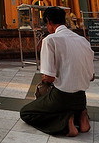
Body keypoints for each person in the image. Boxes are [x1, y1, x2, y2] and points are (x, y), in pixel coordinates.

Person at [20, 7, 94, 137]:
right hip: (81, 97)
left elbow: (49, 78)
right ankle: (80, 114)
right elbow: (91, 76)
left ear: (48, 22)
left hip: (62, 96)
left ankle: (66, 123)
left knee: (26, 112)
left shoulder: (50, 40)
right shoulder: (83, 40)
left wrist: (44, 80)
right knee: (61, 102)